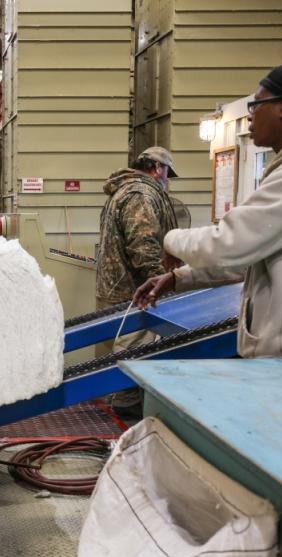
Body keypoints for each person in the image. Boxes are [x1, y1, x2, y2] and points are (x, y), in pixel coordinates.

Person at [134, 58, 282, 358]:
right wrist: (179, 279)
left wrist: (171, 239)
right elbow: (251, 258)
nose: (250, 117)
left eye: (256, 105)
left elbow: (227, 244)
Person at [95, 146, 180, 420]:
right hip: (134, 289)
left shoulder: (122, 190)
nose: (168, 180)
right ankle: (126, 409)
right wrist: (163, 281)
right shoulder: (141, 194)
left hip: (116, 284)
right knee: (134, 347)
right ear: (157, 168)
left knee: (125, 347)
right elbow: (142, 244)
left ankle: (124, 399)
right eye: (167, 172)